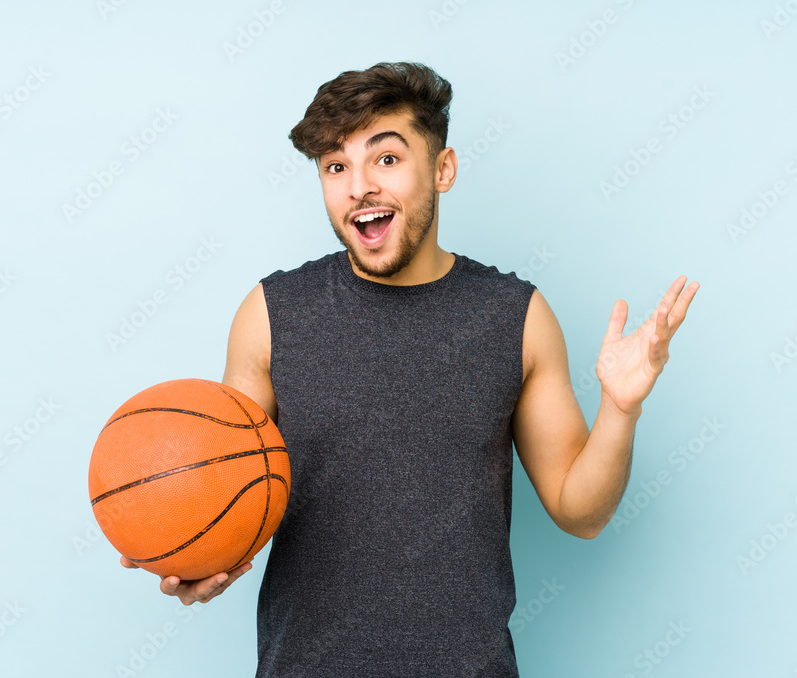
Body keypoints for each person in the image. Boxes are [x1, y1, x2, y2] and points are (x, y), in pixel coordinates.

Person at [121, 61, 699, 676]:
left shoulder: (516, 317)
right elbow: (235, 494)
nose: (358, 187)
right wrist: (197, 554)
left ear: (442, 169)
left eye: (386, 159)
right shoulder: (269, 315)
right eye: (335, 167)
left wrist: (620, 408)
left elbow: (579, 512)